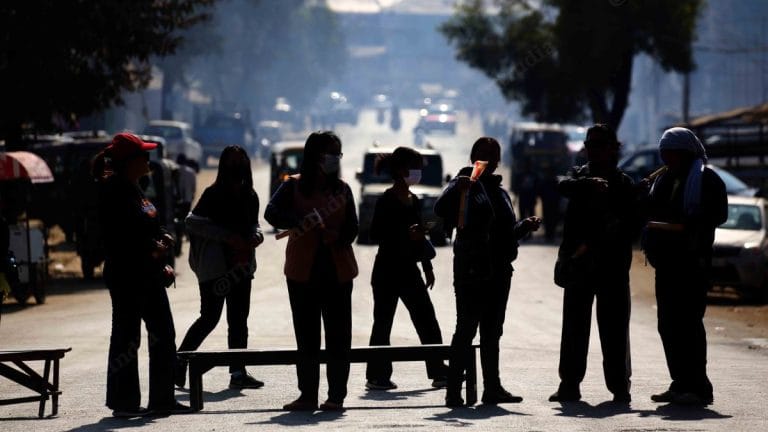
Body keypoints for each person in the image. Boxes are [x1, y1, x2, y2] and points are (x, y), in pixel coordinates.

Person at [434, 137, 541, 407]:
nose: (487, 159)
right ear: (472, 157)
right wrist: (459, 187)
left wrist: (524, 226)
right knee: (466, 328)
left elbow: (506, 233)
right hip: (472, 269)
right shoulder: (464, 182)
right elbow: (441, 208)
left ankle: (492, 388)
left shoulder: (501, 192)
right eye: (482, 153)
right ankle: (453, 391)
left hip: (500, 270)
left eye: (493, 154)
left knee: (492, 332)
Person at [95, 133, 188, 417]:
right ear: (129, 162)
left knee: (163, 333)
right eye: (144, 156)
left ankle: (162, 399)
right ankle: (123, 403)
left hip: (148, 274)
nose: (149, 160)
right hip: (128, 275)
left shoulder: (135, 188)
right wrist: (153, 248)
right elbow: (121, 238)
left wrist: (163, 240)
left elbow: (150, 224)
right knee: (127, 337)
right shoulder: (114, 192)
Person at [265, 131, 358, 412]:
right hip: (302, 273)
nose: (335, 159)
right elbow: (271, 213)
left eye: (338, 154)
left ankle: (336, 396)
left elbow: (352, 228)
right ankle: (307, 395)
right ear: (315, 155)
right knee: (306, 337)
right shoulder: (292, 185)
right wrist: (299, 221)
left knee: (338, 337)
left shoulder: (343, 190)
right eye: (331, 153)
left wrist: (336, 236)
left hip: (337, 272)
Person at [549, 124, 639, 403]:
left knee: (615, 330)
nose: (594, 150)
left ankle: (620, 386)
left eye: (600, 145)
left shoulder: (624, 183)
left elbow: (634, 224)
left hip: (613, 267)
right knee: (574, 328)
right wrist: (588, 185)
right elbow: (561, 184)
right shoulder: (578, 177)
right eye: (591, 145)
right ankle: (569, 384)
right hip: (578, 266)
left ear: (613, 149)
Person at [643, 127, 727, 406]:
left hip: (692, 264)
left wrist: (689, 222)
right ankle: (679, 382)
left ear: (687, 153)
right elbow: (651, 210)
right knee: (667, 325)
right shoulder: (663, 180)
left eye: (672, 154)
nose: (667, 159)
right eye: (664, 154)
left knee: (689, 325)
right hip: (666, 265)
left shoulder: (707, 180)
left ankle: (699, 387)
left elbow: (719, 214)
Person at [175, 146, 264, 390]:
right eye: (232, 162)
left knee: (239, 321)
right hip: (215, 268)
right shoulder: (213, 194)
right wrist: (226, 237)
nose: (237, 167)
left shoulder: (250, 195)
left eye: (241, 162)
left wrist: (256, 236)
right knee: (209, 318)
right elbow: (192, 222)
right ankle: (179, 361)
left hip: (241, 267)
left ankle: (238, 372)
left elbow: (254, 224)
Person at [365, 147, 448, 391]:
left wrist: (427, 266)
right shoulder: (386, 200)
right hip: (387, 270)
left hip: (410, 270)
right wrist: (404, 234)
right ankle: (377, 375)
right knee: (383, 323)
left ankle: (438, 370)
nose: (418, 173)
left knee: (427, 319)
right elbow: (375, 233)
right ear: (401, 170)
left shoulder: (414, 200)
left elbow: (419, 235)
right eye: (415, 168)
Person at [174, 154, 197, 257]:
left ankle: (178, 241)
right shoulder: (191, 171)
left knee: (178, 220)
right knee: (186, 218)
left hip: (177, 201)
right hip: (187, 199)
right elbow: (193, 187)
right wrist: (192, 195)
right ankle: (186, 234)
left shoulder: (175, 170)